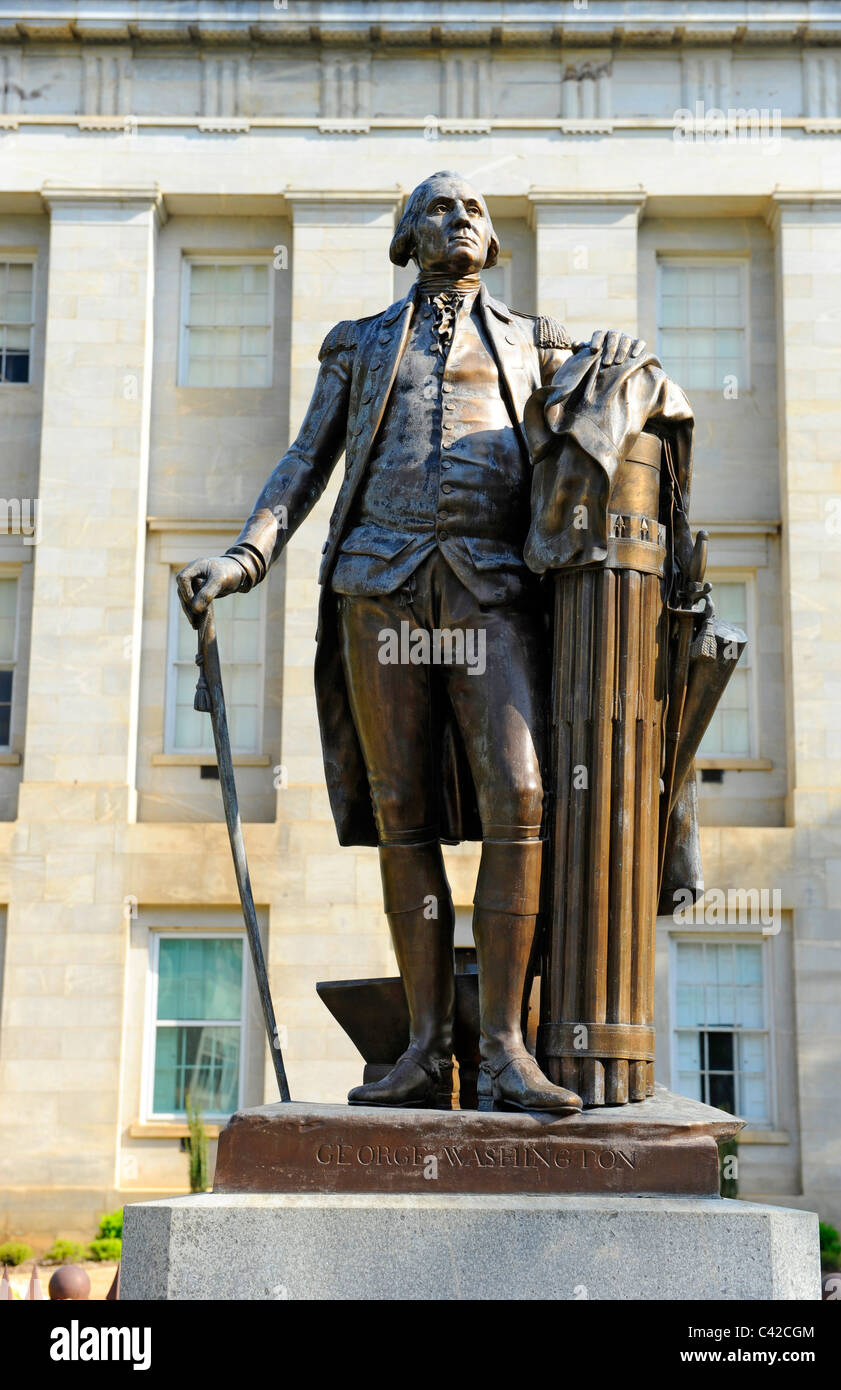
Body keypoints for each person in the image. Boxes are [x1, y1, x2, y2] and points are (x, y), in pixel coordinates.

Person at [178, 171, 643, 1114]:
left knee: (520, 793)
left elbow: (611, 423)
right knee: (403, 811)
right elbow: (305, 461)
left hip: (490, 585)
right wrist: (242, 560)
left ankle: (507, 1049)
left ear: (494, 241)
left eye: (474, 210)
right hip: (377, 582)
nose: (460, 219)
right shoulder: (358, 343)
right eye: (440, 207)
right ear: (406, 237)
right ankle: (430, 1050)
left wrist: (630, 368)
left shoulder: (539, 341)